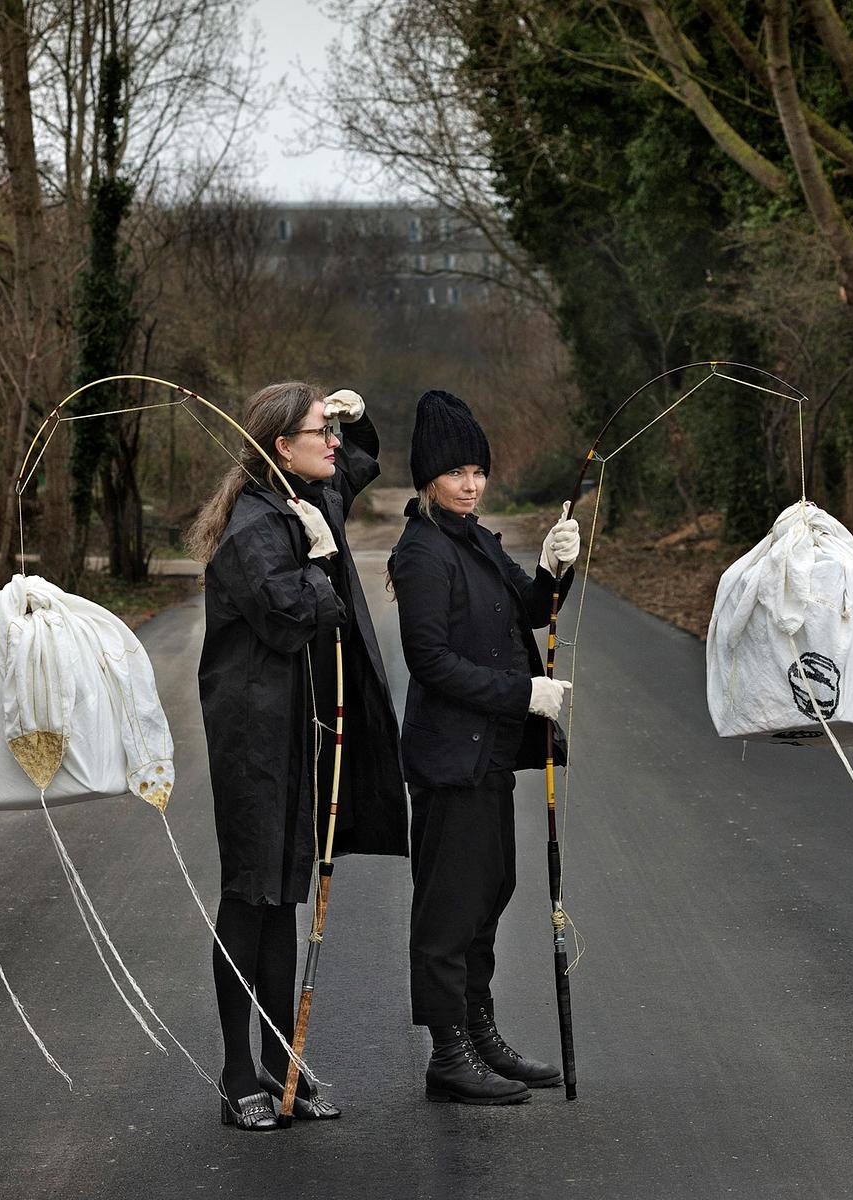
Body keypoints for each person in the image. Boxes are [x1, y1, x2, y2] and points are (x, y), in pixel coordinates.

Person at [187, 381, 407, 1131]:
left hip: (298, 727)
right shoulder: (255, 527)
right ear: (282, 446)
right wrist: (318, 566)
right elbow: (288, 618)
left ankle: (281, 1064)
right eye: (322, 431)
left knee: (284, 893)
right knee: (251, 893)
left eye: (331, 429)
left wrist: (357, 414)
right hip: (253, 734)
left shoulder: (307, 496)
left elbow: (365, 458)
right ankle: (236, 1072)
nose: (334, 444)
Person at [387, 388, 582, 1106]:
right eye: (456, 472)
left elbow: (528, 610)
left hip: (489, 755)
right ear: (428, 477)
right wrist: (520, 693)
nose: (471, 485)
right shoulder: (422, 552)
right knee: (448, 909)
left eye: (479, 471)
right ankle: (448, 1053)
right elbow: (430, 661)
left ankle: (480, 1033)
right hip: (450, 759)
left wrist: (554, 569)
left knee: (486, 896)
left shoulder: (473, 537)